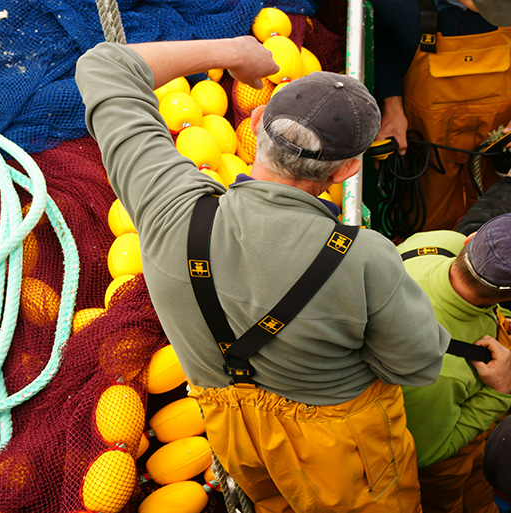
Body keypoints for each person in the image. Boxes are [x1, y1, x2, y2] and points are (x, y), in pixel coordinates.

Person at [76, 38, 451, 512]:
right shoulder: (364, 259)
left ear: (255, 125)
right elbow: (416, 366)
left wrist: (233, 51)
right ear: (349, 170)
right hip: (344, 467)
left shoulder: (169, 209)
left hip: (239, 447)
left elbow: (105, 64)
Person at [396, 217, 511, 513]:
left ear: (469, 240)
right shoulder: (440, 371)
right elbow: (428, 452)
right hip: (444, 462)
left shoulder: (436, 243)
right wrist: (501, 391)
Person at [369, 0, 511, 231]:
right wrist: (391, 105)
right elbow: (381, 34)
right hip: (427, 148)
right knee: (424, 228)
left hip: (499, 145)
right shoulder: (397, 6)